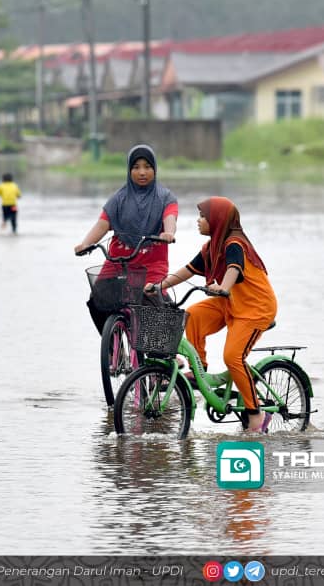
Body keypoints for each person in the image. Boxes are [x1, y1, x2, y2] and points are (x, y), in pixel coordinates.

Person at [149, 196, 277, 434]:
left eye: (203, 216)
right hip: (230, 302)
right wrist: (160, 285)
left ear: (218, 220)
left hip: (255, 308)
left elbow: (234, 268)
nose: (198, 221)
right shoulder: (211, 248)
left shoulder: (234, 243)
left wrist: (225, 287)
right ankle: (201, 369)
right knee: (193, 314)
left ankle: (256, 414)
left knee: (233, 357)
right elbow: (188, 270)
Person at [73, 144, 178, 334]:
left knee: (152, 299)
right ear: (129, 171)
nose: (142, 172)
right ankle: (113, 346)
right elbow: (102, 224)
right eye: (136, 167)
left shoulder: (165, 197)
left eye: (147, 166)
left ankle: (162, 354)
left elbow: (170, 216)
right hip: (119, 262)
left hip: (151, 263)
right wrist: (85, 244)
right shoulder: (118, 199)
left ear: (155, 168)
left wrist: (168, 233)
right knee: (98, 301)